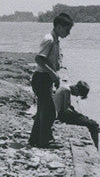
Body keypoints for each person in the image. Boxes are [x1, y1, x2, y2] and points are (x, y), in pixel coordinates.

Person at [28, 12, 73, 148]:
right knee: (49, 112)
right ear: (59, 27)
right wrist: (53, 74)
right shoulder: (49, 39)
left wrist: (55, 71)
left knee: (42, 110)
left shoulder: (55, 40)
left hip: (45, 79)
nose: (68, 33)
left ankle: (35, 140)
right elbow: (39, 59)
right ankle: (44, 141)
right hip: (41, 78)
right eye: (67, 29)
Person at [53, 80, 100, 149]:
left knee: (90, 121)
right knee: (93, 125)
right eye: (78, 94)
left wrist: (80, 115)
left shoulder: (65, 87)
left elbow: (67, 107)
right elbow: (66, 110)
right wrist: (78, 115)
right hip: (63, 116)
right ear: (76, 89)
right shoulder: (67, 91)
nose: (76, 95)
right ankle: (96, 148)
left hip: (63, 114)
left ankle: (95, 144)